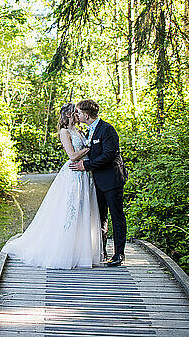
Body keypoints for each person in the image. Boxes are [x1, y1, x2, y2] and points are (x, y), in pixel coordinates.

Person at [2, 103, 102, 269]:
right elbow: (72, 156)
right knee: (70, 211)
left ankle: (80, 250)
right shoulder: (64, 132)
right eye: (76, 112)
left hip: (85, 174)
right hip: (73, 174)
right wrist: (89, 148)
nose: (79, 115)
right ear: (70, 115)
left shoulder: (79, 131)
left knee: (83, 210)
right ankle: (64, 249)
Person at [70, 99, 127, 267]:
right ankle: (102, 251)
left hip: (112, 180)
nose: (77, 115)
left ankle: (119, 254)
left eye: (78, 113)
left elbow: (109, 155)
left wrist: (85, 165)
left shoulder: (107, 129)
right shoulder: (88, 130)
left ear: (86, 115)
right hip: (97, 181)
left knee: (117, 217)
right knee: (101, 217)